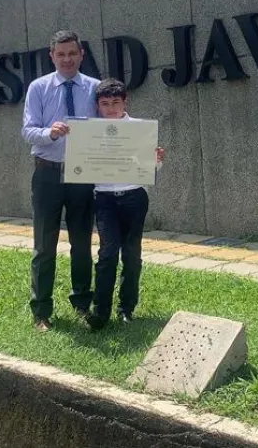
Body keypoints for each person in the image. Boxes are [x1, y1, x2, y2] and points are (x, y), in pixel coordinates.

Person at [21, 30, 99, 332]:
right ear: (52, 56)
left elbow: (111, 124)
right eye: (61, 54)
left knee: (81, 242)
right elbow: (28, 130)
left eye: (72, 53)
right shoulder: (38, 88)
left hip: (82, 174)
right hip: (48, 173)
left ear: (81, 55)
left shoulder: (94, 87)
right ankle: (41, 311)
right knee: (44, 245)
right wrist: (49, 133)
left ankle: (82, 305)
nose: (67, 59)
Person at [86, 78, 165, 331]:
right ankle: (100, 312)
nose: (111, 108)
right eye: (105, 104)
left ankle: (126, 309)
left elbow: (150, 169)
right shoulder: (90, 131)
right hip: (104, 198)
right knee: (107, 253)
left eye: (115, 102)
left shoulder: (140, 129)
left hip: (134, 197)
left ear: (125, 102)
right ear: (98, 106)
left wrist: (156, 160)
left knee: (131, 255)